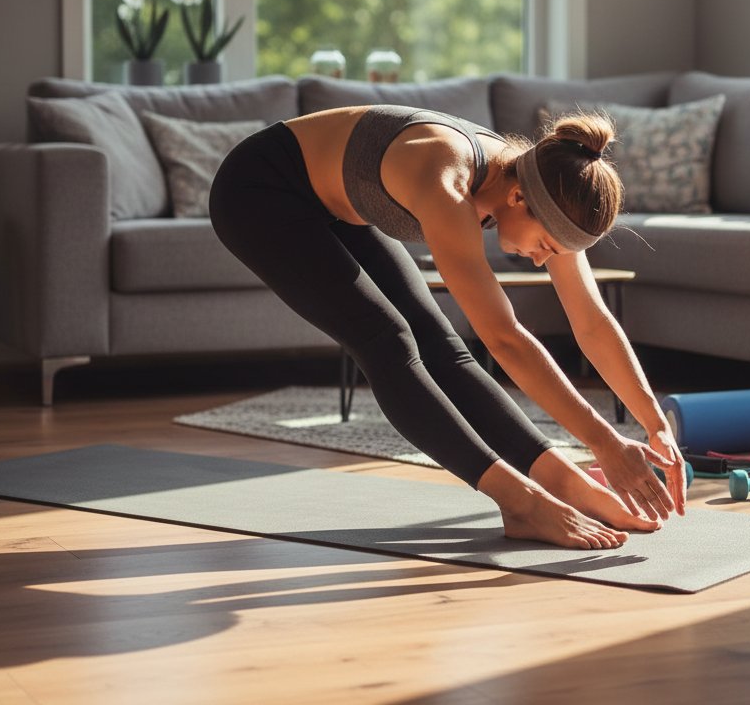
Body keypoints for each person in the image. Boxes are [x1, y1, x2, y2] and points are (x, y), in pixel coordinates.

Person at [209, 104, 687, 550]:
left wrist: (653, 423)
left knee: (443, 347)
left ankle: (563, 483)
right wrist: (603, 441)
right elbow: (504, 339)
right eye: (547, 245)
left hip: (336, 205)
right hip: (259, 190)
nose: (544, 260)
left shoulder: (545, 184)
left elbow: (592, 321)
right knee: (386, 339)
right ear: (518, 198)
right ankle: (520, 502)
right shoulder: (447, 180)